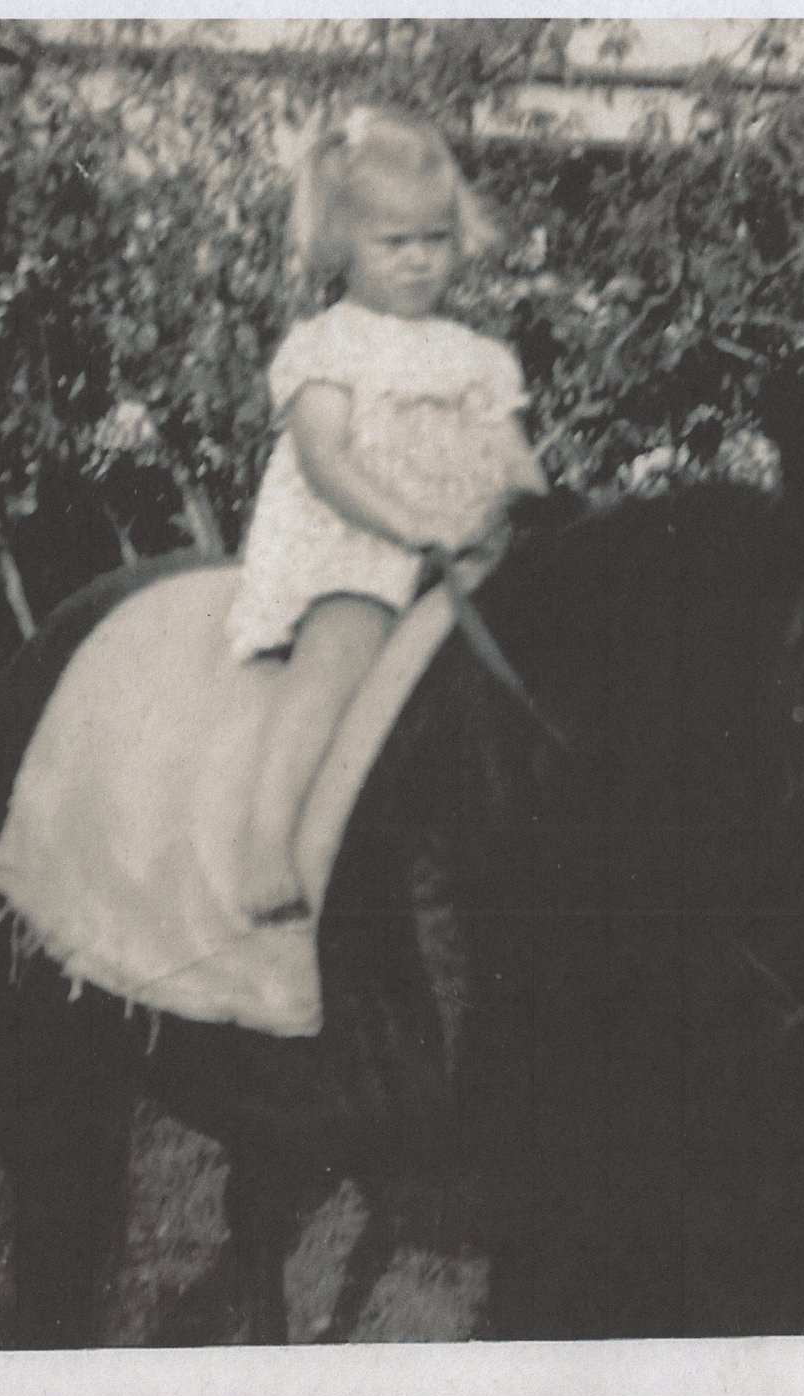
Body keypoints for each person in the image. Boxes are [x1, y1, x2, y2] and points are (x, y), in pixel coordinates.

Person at [228, 104, 546, 919]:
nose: (416, 263)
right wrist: (411, 525)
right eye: (392, 243)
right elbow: (324, 459)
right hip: (355, 544)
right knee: (342, 645)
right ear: (342, 242)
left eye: (433, 241)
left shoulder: (476, 356)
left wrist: (532, 512)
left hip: (467, 551)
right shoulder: (327, 345)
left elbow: (514, 459)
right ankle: (267, 834)